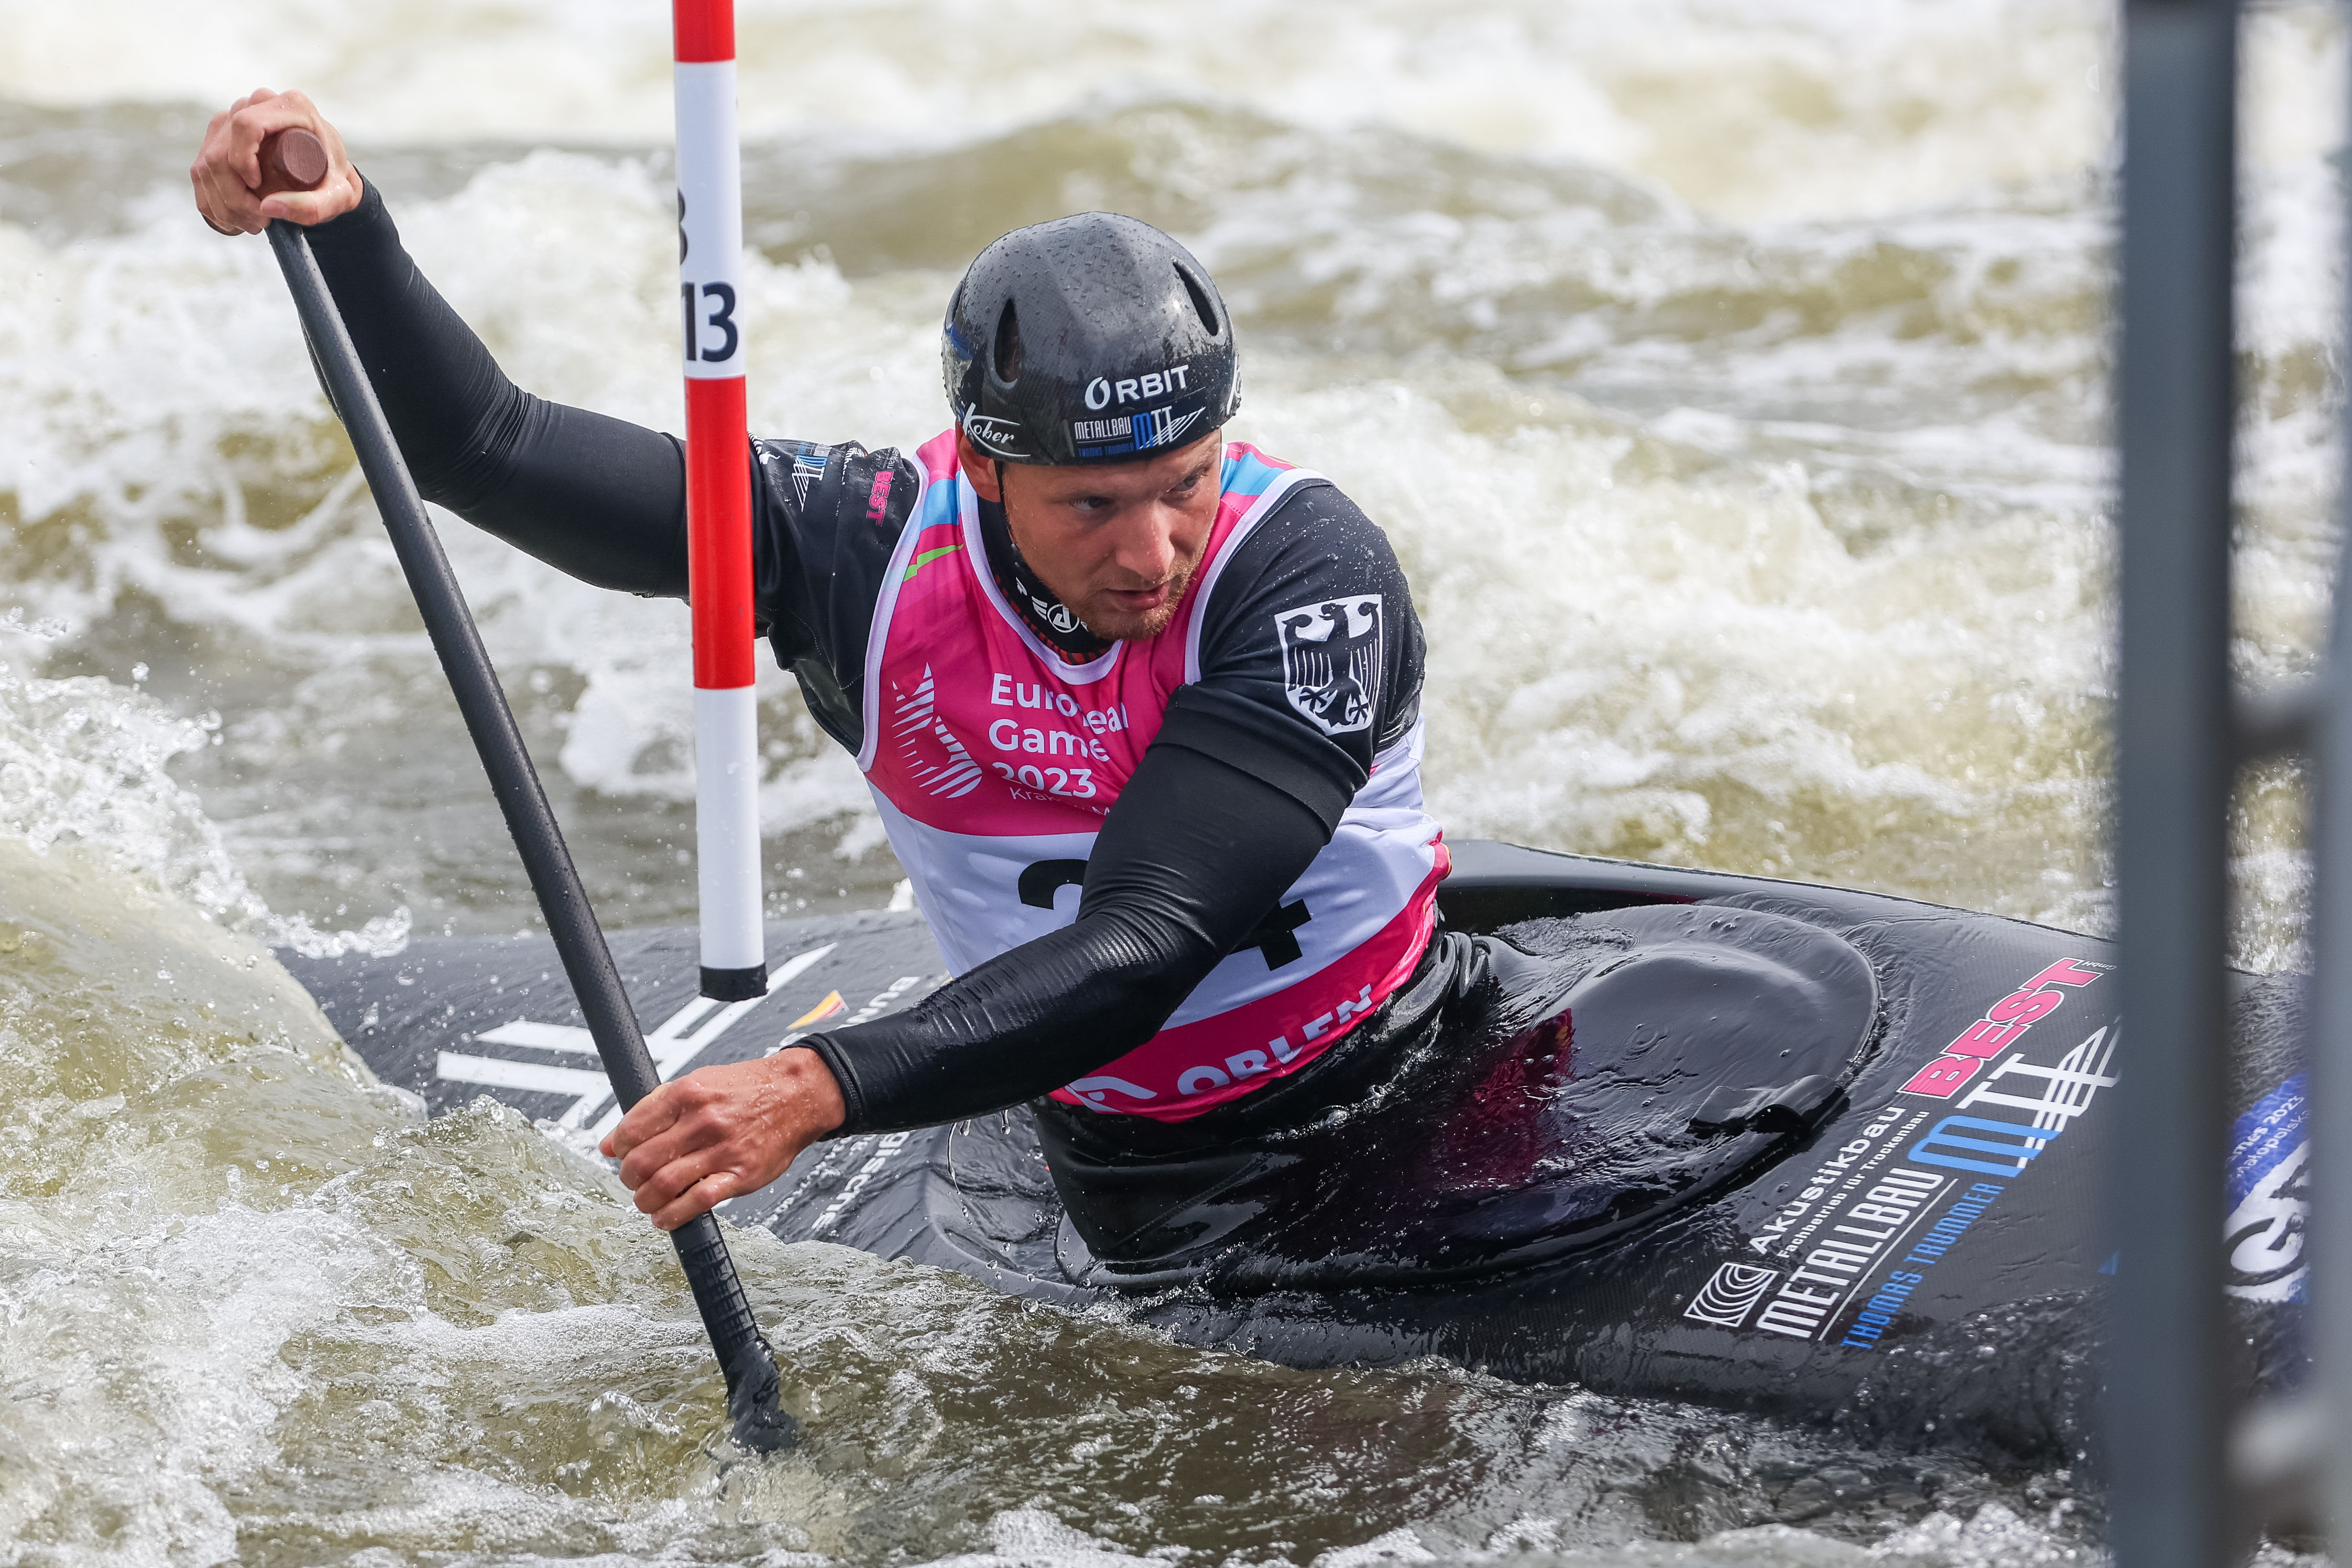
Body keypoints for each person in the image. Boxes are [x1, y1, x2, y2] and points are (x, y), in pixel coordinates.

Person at [191, 90, 1476, 1267]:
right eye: (1091, 502)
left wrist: (814, 1087)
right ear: (982, 466)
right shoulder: (861, 549)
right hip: (1114, 1151)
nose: (1152, 553)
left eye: (1183, 483)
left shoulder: (1307, 574)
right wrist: (345, 227)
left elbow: (1148, 947)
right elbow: (489, 446)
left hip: (1391, 1074)